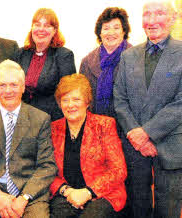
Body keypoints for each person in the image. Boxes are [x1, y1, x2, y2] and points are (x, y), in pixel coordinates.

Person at [113, 1, 182, 217]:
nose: (151, 21)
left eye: (159, 14)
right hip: (134, 147)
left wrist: (147, 133)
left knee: (168, 209)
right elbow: (120, 99)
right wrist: (137, 137)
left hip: (171, 145)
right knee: (137, 207)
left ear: (173, 18)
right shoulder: (128, 56)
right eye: (146, 14)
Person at [0, 60, 57, 218]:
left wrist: (24, 198)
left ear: (23, 87)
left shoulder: (40, 119)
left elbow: (47, 166)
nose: (8, 91)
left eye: (14, 85)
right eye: (2, 85)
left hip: (30, 194)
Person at [49, 73, 127, 218]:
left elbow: (118, 170)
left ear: (87, 102)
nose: (70, 105)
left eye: (76, 99)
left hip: (102, 195)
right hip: (66, 194)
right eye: (65, 100)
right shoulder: (53, 129)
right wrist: (66, 191)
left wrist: (87, 192)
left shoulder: (104, 125)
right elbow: (46, 169)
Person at [16, 8, 76, 121]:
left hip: (51, 120)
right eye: (37, 25)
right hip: (22, 119)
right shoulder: (21, 54)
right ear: (32, 28)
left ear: (54, 31)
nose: (41, 29)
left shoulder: (64, 55)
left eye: (47, 26)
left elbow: (67, 94)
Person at [80, 7, 132, 117]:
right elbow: (83, 98)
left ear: (124, 31)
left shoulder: (135, 58)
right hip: (95, 126)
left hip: (127, 127)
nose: (111, 33)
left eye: (116, 28)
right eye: (106, 28)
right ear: (100, 33)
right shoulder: (87, 62)